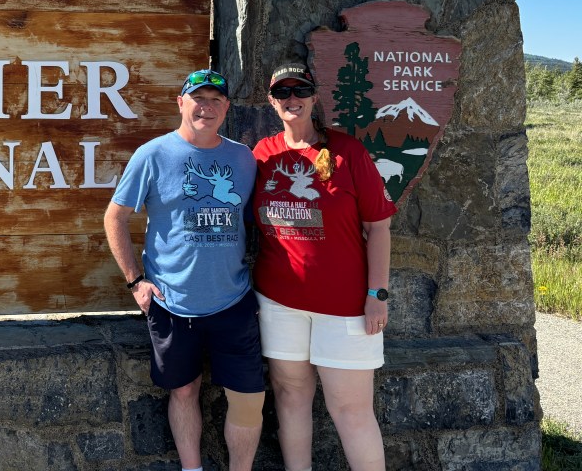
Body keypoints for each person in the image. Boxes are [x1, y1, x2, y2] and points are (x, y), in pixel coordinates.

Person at [104, 68, 265, 471]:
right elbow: (115, 217)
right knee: (183, 391)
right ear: (181, 103)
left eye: (215, 100)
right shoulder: (153, 155)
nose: (206, 108)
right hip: (172, 302)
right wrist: (135, 282)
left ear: (226, 107)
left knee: (247, 396)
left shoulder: (243, 159)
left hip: (234, 300)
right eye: (198, 98)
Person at [252, 62, 394, 471]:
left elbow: (379, 228)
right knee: (291, 399)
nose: (291, 99)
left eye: (300, 90)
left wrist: (377, 295)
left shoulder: (348, 152)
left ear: (315, 98)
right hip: (279, 302)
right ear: (272, 101)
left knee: (351, 410)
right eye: (282, 93)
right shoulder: (262, 155)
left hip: (346, 306)